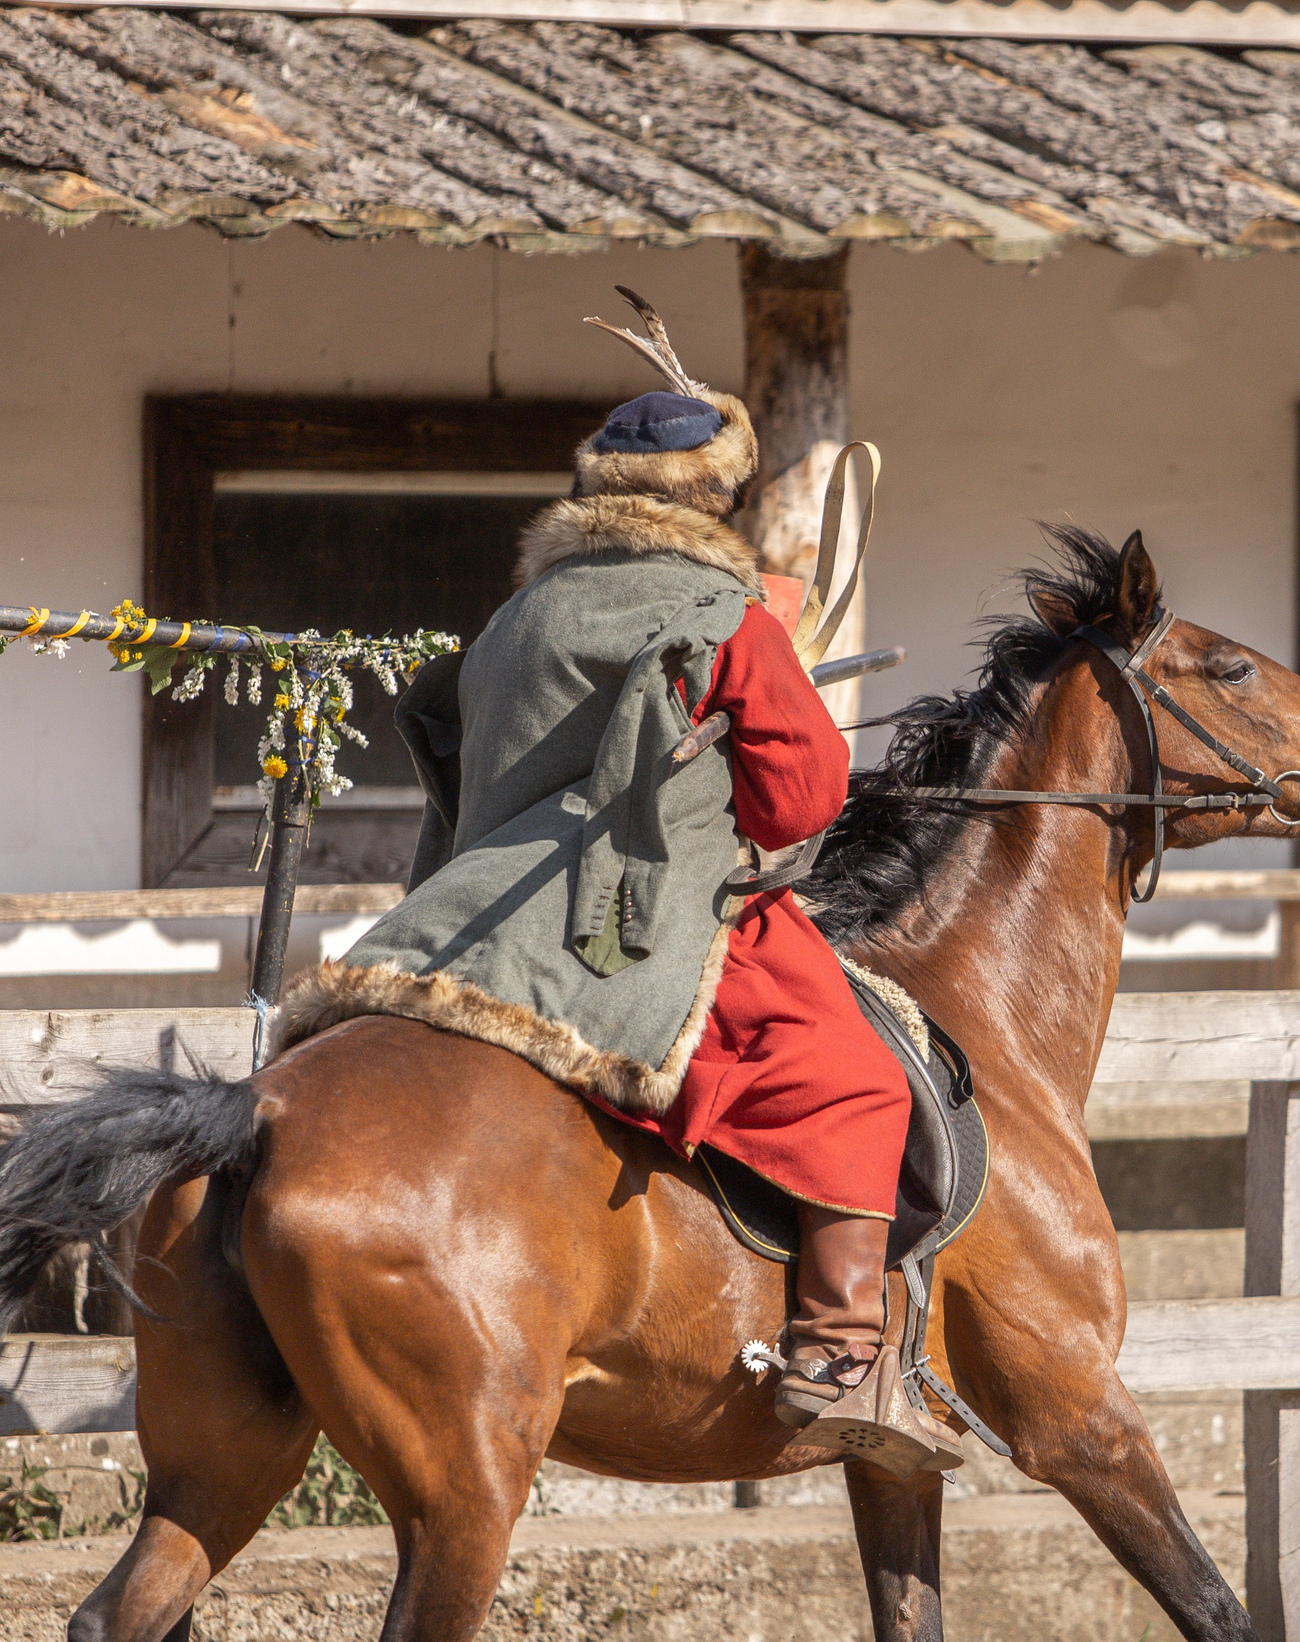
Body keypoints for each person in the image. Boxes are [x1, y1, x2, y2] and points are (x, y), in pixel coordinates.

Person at [314, 294, 935, 1452]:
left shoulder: (515, 616)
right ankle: (842, 1353)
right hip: (637, 916)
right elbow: (801, 799)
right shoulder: (721, 612)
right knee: (855, 1080)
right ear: (716, 498)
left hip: (475, 918)